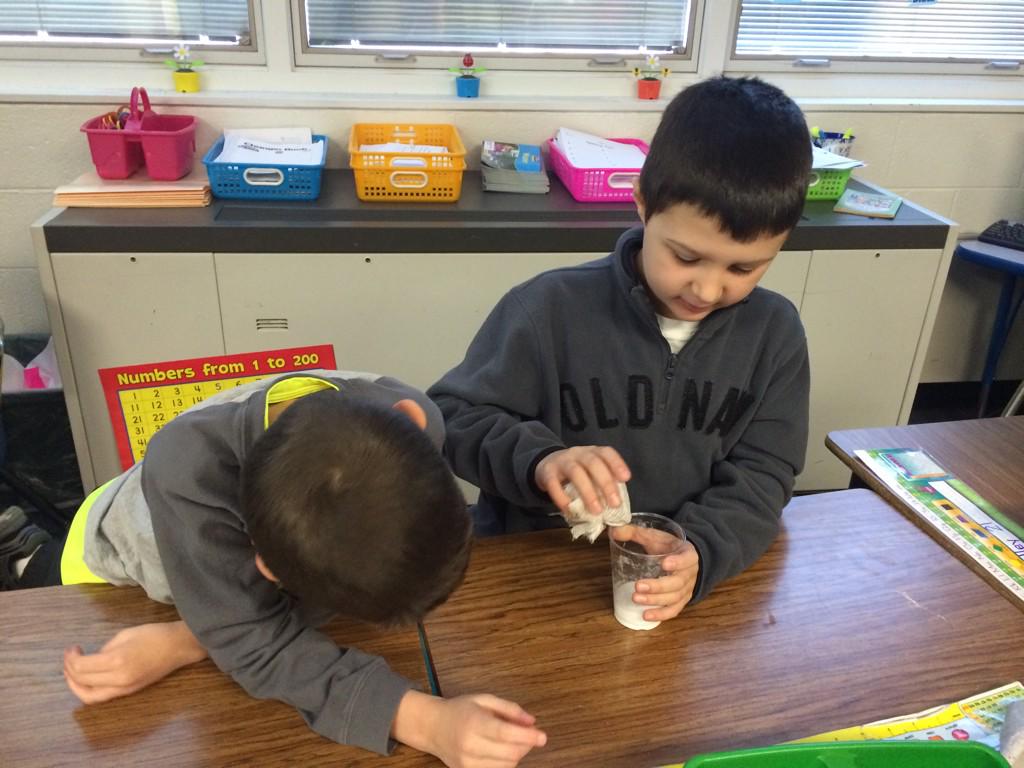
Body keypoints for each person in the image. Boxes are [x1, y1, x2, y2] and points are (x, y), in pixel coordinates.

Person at [0, 370, 547, 767]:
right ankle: (21, 549)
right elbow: (258, 640)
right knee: (43, 580)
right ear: (265, 568)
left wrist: (193, 639)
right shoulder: (185, 473)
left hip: (223, 578)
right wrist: (424, 720)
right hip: (118, 560)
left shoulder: (409, 414)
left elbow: (248, 623)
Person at [428, 75, 812, 625]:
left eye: (742, 268)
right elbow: (454, 420)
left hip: (670, 585)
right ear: (641, 203)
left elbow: (765, 473)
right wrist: (541, 461)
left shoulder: (774, 334)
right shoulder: (548, 309)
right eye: (684, 257)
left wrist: (700, 552)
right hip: (533, 579)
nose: (706, 289)